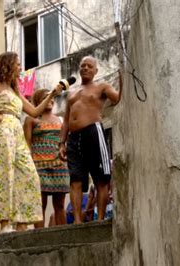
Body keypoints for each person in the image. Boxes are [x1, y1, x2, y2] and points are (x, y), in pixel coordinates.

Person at [0, 52, 64, 233]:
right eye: (18, 64)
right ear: (9, 64)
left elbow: (34, 112)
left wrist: (52, 94)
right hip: (2, 130)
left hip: (17, 131)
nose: (20, 67)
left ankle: (21, 222)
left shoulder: (15, 90)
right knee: (5, 175)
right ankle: (4, 224)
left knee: (29, 175)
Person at [59, 56, 122, 225]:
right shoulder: (72, 93)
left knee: (101, 178)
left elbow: (117, 98)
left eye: (89, 66)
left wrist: (122, 79)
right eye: (82, 66)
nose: (85, 68)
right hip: (73, 139)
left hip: (93, 132)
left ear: (96, 71)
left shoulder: (102, 86)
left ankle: (100, 219)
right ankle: (78, 221)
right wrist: (61, 143)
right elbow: (65, 120)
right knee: (75, 179)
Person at [23, 89, 70, 228]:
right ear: (38, 100)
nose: (50, 100)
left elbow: (64, 142)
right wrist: (29, 167)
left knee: (60, 205)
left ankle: (62, 235)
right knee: (40, 205)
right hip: (39, 167)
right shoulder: (31, 119)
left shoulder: (60, 119)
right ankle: (39, 238)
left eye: (52, 98)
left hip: (59, 166)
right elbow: (27, 145)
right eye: (46, 97)